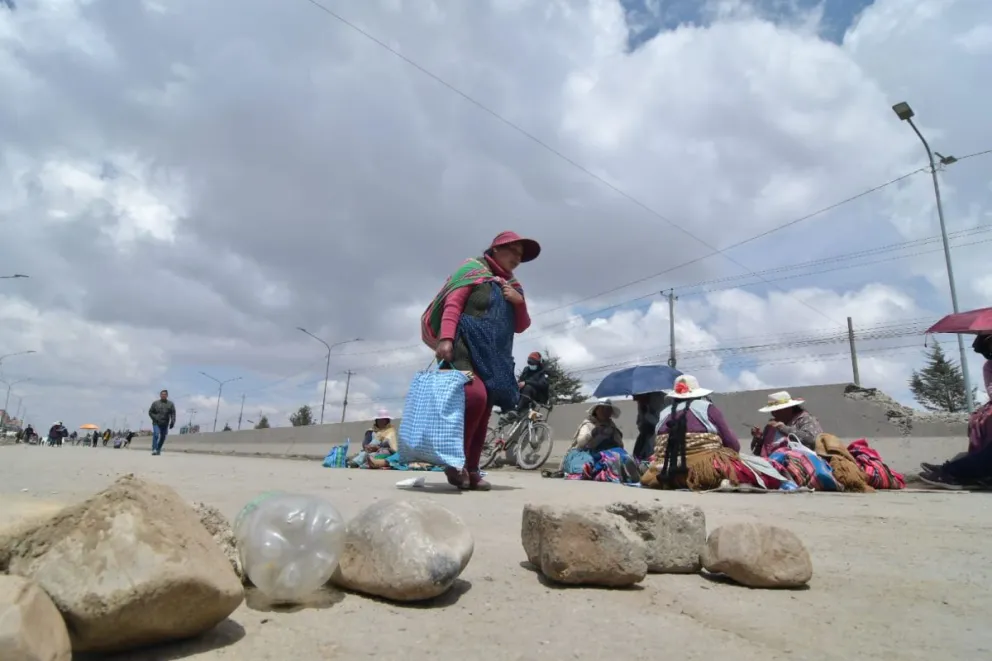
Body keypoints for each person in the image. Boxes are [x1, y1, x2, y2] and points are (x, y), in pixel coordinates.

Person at [424, 230, 540, 491]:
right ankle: (455, 463)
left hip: (494, 354)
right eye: (513, 251)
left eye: (521, 256)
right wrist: (445, 338)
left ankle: (473, 469)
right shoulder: (472, 270)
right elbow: (453, 305)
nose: (517, 259)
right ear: (496, 249)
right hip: (464, 345)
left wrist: (518, 303)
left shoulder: (513, 286)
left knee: (486, 406)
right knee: (475, 397)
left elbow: (521, 326)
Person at [750, 390, 822, 456]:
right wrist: (758, 437)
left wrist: (783, 428)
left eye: (777, 411)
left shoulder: (806, 419)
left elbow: (811, 440)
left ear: (789, 408)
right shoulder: (771, 428)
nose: (773, 414)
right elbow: (757, 452)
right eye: (772, 411)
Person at [512, 351, 550, 416]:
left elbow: (543, 385)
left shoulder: (543, 371)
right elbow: (521, 381)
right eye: (529, 362)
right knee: (514, 388)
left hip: (538, 396)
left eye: (533, 363)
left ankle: (517, 410)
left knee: (528, 387)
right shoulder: (526, 370)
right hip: (526, 395)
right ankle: (508, 409)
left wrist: (526, 382)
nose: (531, 365)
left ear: (538, 363)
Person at [632, 391, 666, 460]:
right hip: (646, 437)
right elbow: (639, 423)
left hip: (659, 436)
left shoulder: (660, 400)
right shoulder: (641, 403)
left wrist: (647, 415)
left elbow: (660, 422)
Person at [148, 389, 177, 455]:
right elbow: (150, 412)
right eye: (162, 394)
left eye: (165, 394)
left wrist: (172, 421)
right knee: (156, 434)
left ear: (167, 395)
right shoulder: (155, 403)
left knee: (163, 437)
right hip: (156, 422)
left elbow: (173, 414)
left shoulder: (170, 404)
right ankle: (154, 449)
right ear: (160, 395)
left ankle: (158, 449)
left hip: (165, 423)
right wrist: (155, 418)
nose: (163, 395)